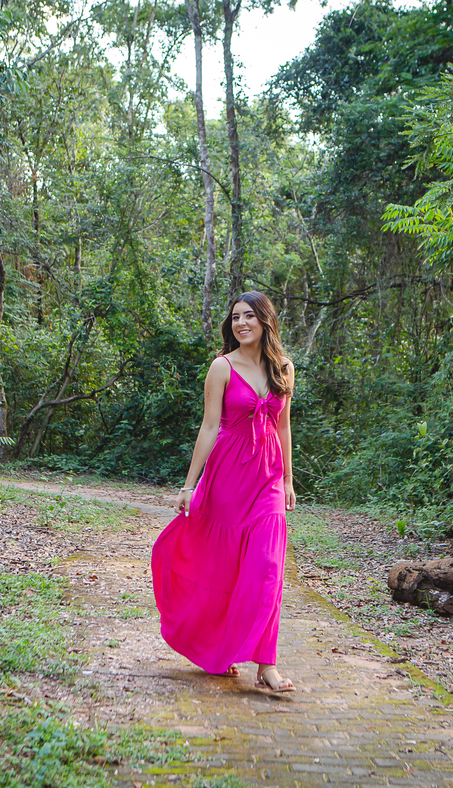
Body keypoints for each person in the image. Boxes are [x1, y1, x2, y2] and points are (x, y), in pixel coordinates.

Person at [150, 290, 297, 692]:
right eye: (235, 317)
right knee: (224, 565)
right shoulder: (222, 367)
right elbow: (210, 426)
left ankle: (267, 664)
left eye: (249, 316)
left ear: (265, 321)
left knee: (268, 568)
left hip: (268, 477)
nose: (241, 323)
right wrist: (189, 484)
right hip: (228, 476)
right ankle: (218, 645)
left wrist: (288, 478)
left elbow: (283, 426)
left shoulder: (284, 368)